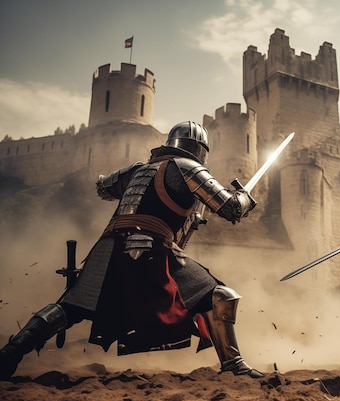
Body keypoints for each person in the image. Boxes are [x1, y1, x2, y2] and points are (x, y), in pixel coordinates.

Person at [0, 121, 264, 380]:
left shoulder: (136, 170)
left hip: (106, 247)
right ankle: (234, 364)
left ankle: (12, 351)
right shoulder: (189, 168)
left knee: (70, 306)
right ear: (199, 150)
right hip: (150, 247)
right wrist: (245, 198)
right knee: (220, 296)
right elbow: (230, 208)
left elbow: (103, 186)